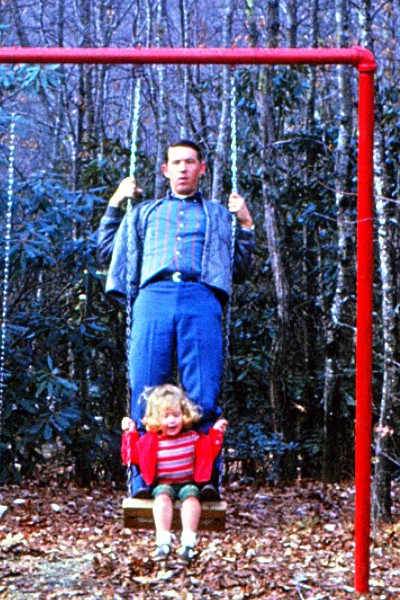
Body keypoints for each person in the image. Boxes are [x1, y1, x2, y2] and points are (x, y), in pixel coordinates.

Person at [98, 139, 254, 498]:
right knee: (145, 386)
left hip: (201, 296)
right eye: (176, 163)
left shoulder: (218, 214)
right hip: (154, 296)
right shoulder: (145, 212)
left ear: (201, 169)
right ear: (165, 170)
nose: (183, 168)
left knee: (203, 389)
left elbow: (240, 269)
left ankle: (205, 480)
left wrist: (245, 224)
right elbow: (110, 251)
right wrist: (115, 203)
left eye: (190, 162)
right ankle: (142, 482)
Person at [121, 384, 228, 565]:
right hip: (163, 485)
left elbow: (210, 449)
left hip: (188, 484)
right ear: (156, 419)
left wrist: (217, 431)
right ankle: (163, 543)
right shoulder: (151, 441)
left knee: (192, 501)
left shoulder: (192, 437)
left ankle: (188, 544)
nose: (172, 421)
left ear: (184, 415)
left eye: (176, 415)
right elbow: (131, 456)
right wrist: (130, 433)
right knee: (162, 499)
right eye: (166, 416)